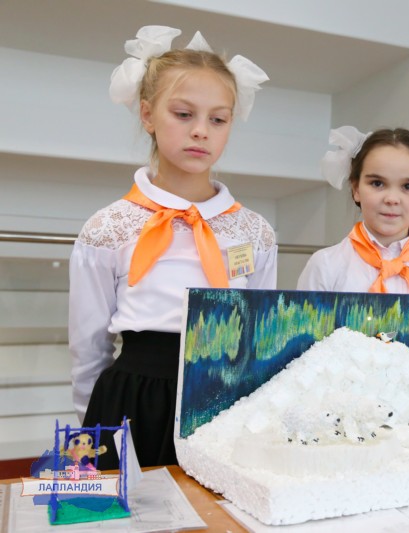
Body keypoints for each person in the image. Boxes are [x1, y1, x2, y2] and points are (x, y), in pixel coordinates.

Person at [69, 26, 276, 469]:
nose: (201, 131)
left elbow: (258, 341)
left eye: (218, 119)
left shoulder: (255, 232)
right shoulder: (108, 228)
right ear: (147, 114)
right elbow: (88, 347)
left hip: (223, 404)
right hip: (133, 402)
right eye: (183, 114)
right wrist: (91, 425)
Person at [297, 126, 409, 295]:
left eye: (408, 186)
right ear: (356, 189)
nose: (392, 199)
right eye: (377, 183)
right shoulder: (326, 266)